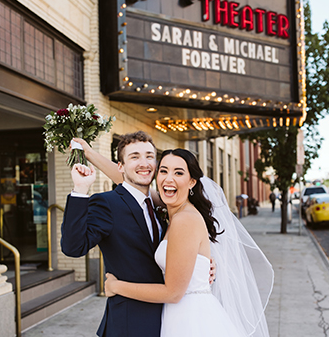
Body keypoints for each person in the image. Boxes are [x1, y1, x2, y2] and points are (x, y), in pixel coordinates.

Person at [99, 148, 272, 337]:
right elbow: (126, 181)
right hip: (179, 313)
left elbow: (173, 293)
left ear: (192, 182)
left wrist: (116, 286)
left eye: (178, 173)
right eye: (163, 171)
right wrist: (88, 152)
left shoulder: (184, 220)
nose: (169, 179)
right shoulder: (172, 209)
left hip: (189, 319)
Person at [61, 131, 166, 336]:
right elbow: (73, 248)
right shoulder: (107, 203)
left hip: (167, 315)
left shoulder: (160, 204)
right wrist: (80, 190)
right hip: (129, 323)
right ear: (121, 166)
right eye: (134, 157)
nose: (143, 162)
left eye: (149, 156)